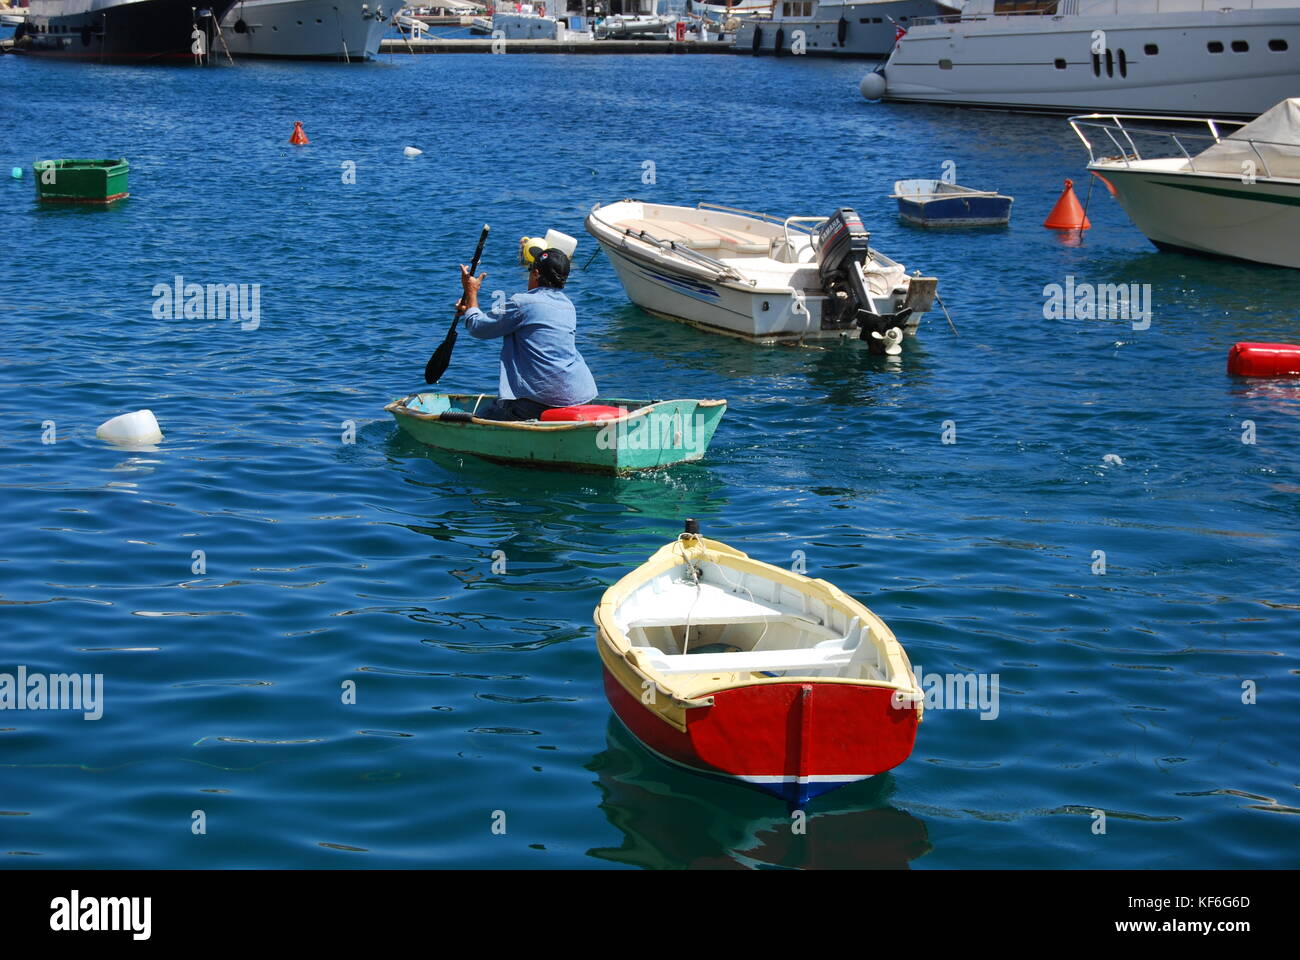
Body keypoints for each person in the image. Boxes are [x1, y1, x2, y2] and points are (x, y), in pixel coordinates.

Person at [456, 244, 598, 422]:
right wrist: (471, 308)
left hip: (543, 400)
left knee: (481, 419)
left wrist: (471, 293)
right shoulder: (568, 305)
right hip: (580, 393)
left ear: (536, 273)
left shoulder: (522, 303)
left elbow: (478, 328)